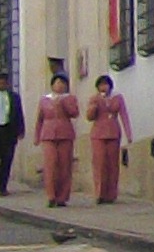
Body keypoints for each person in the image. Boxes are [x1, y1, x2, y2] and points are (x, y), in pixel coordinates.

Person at [32, 68, 79, 209]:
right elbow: (39, 119)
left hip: (65, 133)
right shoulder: (44, 100)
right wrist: (37, 135)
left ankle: (62, 197)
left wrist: (63, 103)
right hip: (48, 134)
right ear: (52, 85)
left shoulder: (70, 98)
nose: (60, 85)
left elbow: (74, 113)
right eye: (57, 82)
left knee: (65, 165)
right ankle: (51, 195)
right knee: (50, 165)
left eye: (62, 83)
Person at [84, 74, 129, 207]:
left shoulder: (117, 98)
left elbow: (124, 114)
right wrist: (94, 106)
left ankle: (111, 194)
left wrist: (128, 133)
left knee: (112, 164)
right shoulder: (95, 99)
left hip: (113, 132)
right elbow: (89, 117)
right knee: (99, 163)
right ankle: (99, 193)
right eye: (101, 85)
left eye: (106, 84)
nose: (104, 87)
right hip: (98, 133)